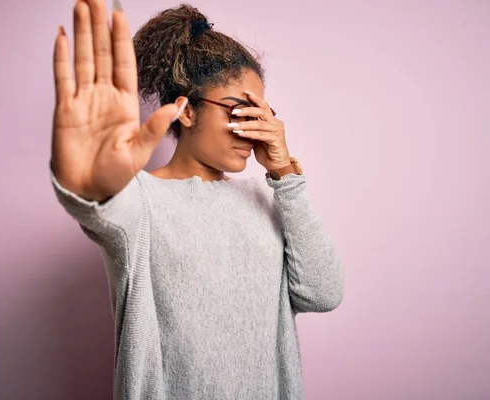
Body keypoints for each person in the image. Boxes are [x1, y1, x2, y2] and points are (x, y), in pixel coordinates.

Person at [49, 0, 344, 399]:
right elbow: (103, 210)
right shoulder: (142, 199)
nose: (252, 130)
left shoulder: (267, 198)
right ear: (186, 112)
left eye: (261, 115)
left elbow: (322, 293)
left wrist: (285, 174)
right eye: (238, 112)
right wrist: (89, 188)